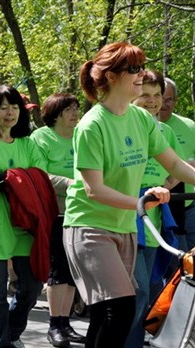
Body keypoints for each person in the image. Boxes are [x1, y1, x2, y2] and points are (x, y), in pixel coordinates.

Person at [64, 42, 195, 348]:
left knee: (105, 316)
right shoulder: (91, 125)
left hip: (124, 228)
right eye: (133, 69)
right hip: (89, 228)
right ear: (111, 76)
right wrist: (143, 201)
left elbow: (175, 164)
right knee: (121, 308)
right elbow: (93, 189)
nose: (141, 75)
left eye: (140, 67)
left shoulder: (143, 121)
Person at [0, 85, 44, 348]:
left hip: (24, 225)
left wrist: (8, 177)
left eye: (14, 107)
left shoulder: (28, 143)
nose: (10, 113)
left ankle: (11, 332)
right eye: (3, 107)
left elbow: (38, 179)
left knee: (32, 287)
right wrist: (18, 178)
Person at [125, 70, 182, 348]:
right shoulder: (122, 126)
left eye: (157, 95)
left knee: (149, 289)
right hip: (125, 213)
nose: (152, 101)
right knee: (139, 291)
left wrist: (163, 189)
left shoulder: (166, 131)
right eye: (145, 95)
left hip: (154, 217)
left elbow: (174, 172)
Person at [30, 93, 86, 347]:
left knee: (73, 270)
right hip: (54, 213)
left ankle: (66, 323)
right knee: (57, 270)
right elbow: (41, 175)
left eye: (76, 109)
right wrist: (74, 184)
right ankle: (54, 325)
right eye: (68, 110)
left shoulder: (81, 135)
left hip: (82, 211)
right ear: (55, 113)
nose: (75, 114)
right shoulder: (40, 137)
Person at [159, 77, 195, 251]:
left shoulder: (189, 126)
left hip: (187, 204)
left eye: (169, 100)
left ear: (176, 101)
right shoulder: (142, 126)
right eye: (161, 98)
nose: (164, 104)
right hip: (155, 202)